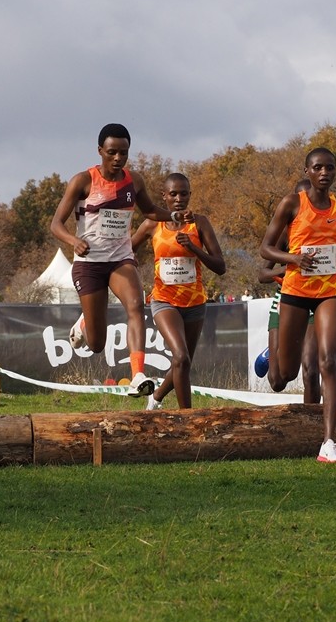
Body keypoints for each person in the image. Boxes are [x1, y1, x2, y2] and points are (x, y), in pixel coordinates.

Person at [259, 148, 336, 463]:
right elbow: (266, 249)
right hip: (295, 292)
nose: (324, 173)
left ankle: (328, 442)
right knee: (283, 376)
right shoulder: (291, 203)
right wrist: (294, 259)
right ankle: (272, 354)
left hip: (328, 292)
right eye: (318, 168)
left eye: (329, 168)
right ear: (307, 171)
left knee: (327, 361)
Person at [51, 123, 192, 397]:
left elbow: (150, 210)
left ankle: (137, 375)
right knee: (96, 344)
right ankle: (83, 323)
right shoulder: (83, 181)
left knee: (136, 305)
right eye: (112, 152)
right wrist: (73, 241)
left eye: (124, 153)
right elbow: (56, 223)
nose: (118, 159)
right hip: (89, 264)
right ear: (100, 151)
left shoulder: (134, 181)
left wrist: (174, 216)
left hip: (120, 260)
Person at [131, 173, 226, 410]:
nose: (178, 198)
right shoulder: (153, 224)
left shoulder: (200, 223)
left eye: (184, 193)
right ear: (164, 196)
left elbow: (220, 266)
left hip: (195, 303)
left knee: (183, 363)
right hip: (164, 300)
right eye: (173, 193)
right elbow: (125, 251)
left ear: (190, 195)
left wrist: (194, 247)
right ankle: (187, 418)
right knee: (181, 357)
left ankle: (156, 397)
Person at [254, 179, 336, 405]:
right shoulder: (285, 233)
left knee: (311, 368)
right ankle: (273, 353)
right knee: (279, 382)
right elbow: (262, 274)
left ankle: (312, 424)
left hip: (318, 300)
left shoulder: (328, 232)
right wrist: (290, 265)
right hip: (288, 300)